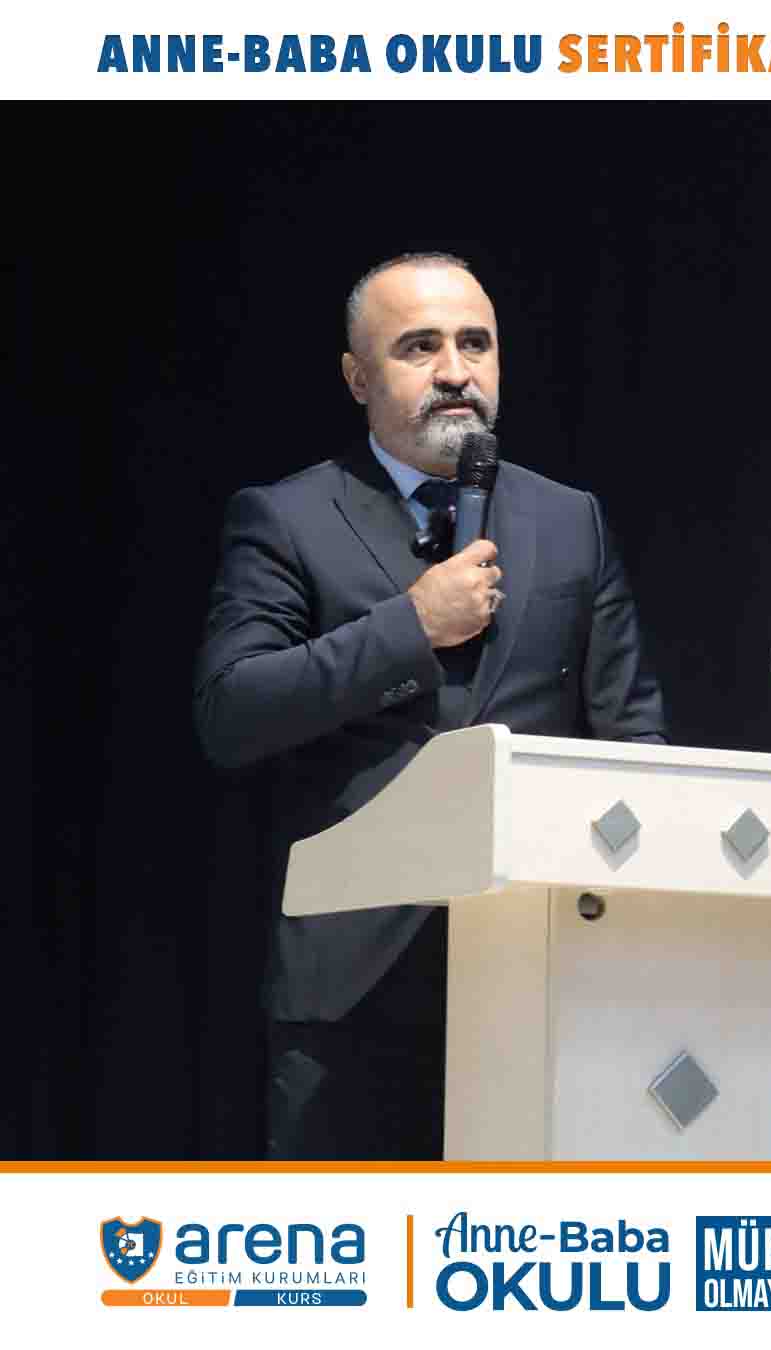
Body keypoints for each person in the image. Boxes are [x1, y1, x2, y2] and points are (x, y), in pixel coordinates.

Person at [194, 252, 666, 1159]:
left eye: (475, 343)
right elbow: (232, 709)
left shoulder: (570, 520)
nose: (455, 371)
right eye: (420, 347)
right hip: (356, 993)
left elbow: (633, 733)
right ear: (357, 378)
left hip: (544, 972)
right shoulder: (288, 518)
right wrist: (409, 627)